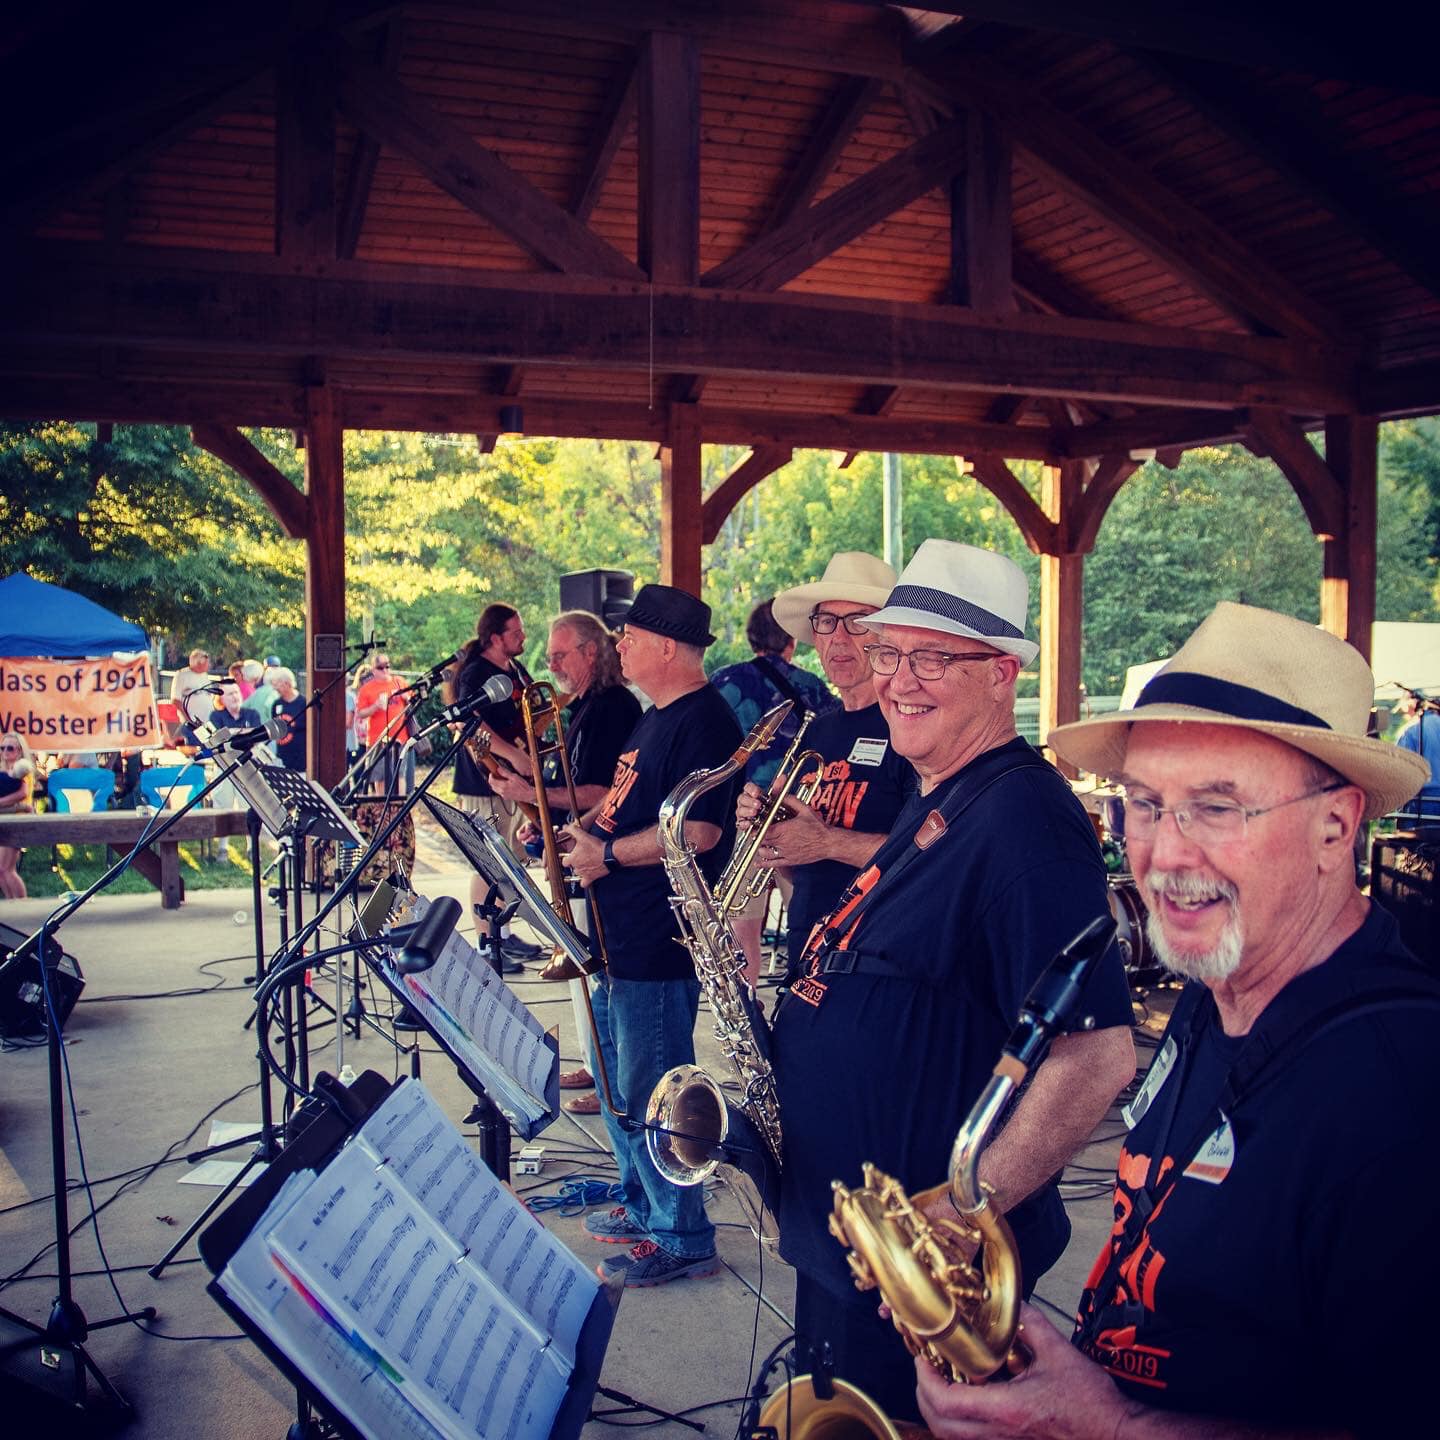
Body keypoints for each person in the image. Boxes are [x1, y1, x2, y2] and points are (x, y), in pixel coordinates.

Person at [913, 601, 1437, 1440]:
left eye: (1219, 806)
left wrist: (1110, 1426)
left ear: (1336, 825)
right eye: (1145, 803)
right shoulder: (1212, 989)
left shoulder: (1403, 1095)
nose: (1163, 853)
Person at [771, 539, 1136, 1417]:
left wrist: (965, 1212)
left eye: (934, 657)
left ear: (1002, 673)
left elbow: (1097, 1053)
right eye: (890, 651)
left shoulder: (1025, 820)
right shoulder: (943, 789)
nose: (899, 678)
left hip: (924, 1270)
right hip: (858, 1246)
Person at [560, 584, 743, 1286]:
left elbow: (698, 831)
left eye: (630, 637)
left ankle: (681, 1233)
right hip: (620, 933)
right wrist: (584, 832)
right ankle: (644, 1204)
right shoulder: (654, 719)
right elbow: (624, 801)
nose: (620, 648)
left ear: (667, 645)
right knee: (620, 1085)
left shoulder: (705, 722)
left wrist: (605, 855)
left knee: (658, 1087)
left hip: (659, 939)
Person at [487, 609, 642, 1113]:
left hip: (608, 857)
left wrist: (530, 792)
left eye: (558, 654)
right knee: (587, 979)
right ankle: (599, 1065)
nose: (549, 664)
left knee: (598, 974)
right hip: (582, 845)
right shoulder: (585, 704)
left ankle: (609, 1076)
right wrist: (542, 813)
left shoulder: (614, 706)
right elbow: (573, 786)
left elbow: (603, 789)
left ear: (590, 652)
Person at [738, 552, 912, 987]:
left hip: (877, 958)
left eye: (857, 622)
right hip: (808, 945)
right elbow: (800, 862)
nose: (838, 639)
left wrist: (825, 841)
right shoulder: (820, 728)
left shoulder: (911, 726)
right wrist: (770, 830)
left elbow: (930, 857)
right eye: (826, 623)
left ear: (887, 634)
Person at [711, 598, 836, 976]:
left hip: (745, 813)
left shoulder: (723, 682)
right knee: (809, 921)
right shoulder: (811, 686)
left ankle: (748, 1009)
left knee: (740, 925)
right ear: (791, 640)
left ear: (750, 639)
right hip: (800, 814)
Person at [449, 604, 542, 969]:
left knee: (512, 858)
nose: (522, 638)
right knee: (487, 859)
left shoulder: (515, 669)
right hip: (484, 776)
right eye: (515, 633)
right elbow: (472, 724)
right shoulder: (475, 674)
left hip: (513, 780)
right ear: (495, 637)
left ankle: (502, 933)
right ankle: (486, 942)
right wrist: (513, 756)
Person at [354, 653, 415, 795]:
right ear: (374, 670)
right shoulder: (367, 689)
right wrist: (375, 706)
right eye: (381, 667)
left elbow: (413, 702)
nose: (385, 670)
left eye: (387, 666)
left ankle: (399, 807)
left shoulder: (399, 682)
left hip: (400, 737)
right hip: (377, 739)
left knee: (400, 774)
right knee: (379, 776)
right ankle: (380, 806)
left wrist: (406, 698)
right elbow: (361, 713)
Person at [1395, 690, 1440, 822]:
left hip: (1421, 802)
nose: (1405, 714)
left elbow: (1400, 770)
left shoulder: (1412, 731)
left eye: (1404, 709)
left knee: (1417, 841)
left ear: (1412, 705)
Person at [0, 733, 36, 898]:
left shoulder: (22, 770)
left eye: (10, 748)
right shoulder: (3, 771)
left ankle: (24, 907)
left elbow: (22, 794)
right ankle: (11, 904)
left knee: (7, 869)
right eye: (2, 748)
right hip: (4, 822)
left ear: (20, 751)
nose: (5, 751)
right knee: (1, 871)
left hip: (17, 824)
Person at [270, 667, 308, 772]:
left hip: (300, 758)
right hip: (282, 757)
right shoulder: (276, 704)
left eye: (277, 684)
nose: (275, 688)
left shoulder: (303, 703)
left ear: (287, 683)